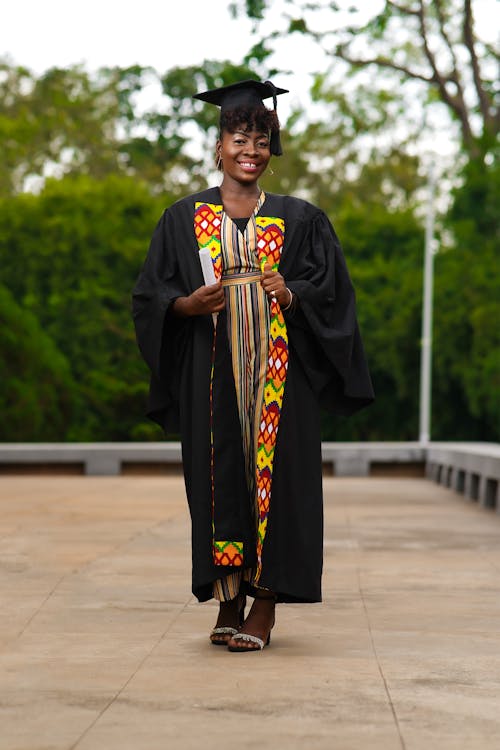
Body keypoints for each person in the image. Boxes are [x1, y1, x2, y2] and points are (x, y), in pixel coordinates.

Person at [132, 79, 374, 653]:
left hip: (280, 381)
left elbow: (333, 293)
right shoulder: (181, 217)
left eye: (261, 140)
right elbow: (149, 296)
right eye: (240, 137)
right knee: (217, 484)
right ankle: (228, 599)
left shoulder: (300, 219)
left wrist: (290, 294)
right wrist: (188, 304)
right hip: (209, 374)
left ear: (272, 150)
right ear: (218, 145)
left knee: (280, 484)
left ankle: (264, 607)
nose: (250, 150)